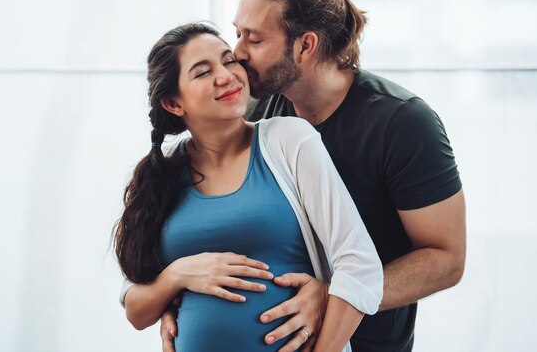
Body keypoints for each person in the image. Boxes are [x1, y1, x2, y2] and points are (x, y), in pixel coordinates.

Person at [155, 0, 466, 352]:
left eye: (255, 38)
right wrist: (178, 295)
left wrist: (336, 295)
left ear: (305, 46)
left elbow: (447, 258)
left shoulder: (403, 123)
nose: (238, 53)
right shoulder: (252, 113)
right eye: (238, 33)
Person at [115, 22, 383, 352]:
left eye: (229, 61)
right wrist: (176, 276)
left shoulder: (289, 141)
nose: (226, 75)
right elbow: (136, 311)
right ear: (173, 103)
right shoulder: (161, 173)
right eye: (202, 72)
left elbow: (360, 264)